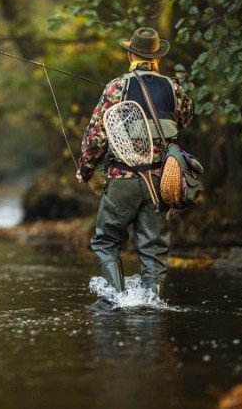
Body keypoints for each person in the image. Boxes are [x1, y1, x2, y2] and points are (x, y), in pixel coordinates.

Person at [76, 27, 194, 299]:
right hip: (160, 182)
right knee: (153, 250)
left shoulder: (116, 87)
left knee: (107, 241)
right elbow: (185, 119)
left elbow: (96, 137)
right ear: (157, 58)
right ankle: (150, 305)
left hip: (123, 179)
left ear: (131, 54)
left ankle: (117, 301)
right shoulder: (174, 87)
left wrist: (85, 170)